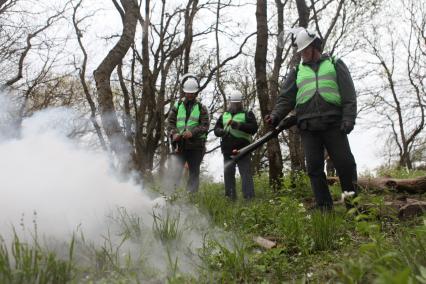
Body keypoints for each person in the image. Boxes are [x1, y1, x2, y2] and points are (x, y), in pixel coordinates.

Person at [265, 28, 358, 210]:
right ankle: (324, 208)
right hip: (308, 126)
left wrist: (349, 118)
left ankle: (353, 206)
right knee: (314, 169)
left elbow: (349, 94)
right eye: (300, 52)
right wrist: (276, 115)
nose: (303, 55)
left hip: (333, 124)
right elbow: (286, 98)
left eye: (305, 51)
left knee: (345, 164)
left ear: (315, 47)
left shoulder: (335, 63)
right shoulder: (296, 71)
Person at [167, 73, 209, 193]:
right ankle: (171, 197)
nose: (189, 95)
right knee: (176, 173)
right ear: (184, 92)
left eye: (192, 93)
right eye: (187, 92)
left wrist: (192, 133)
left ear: (196, 93)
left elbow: (205, 126)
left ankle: (191, 198)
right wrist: (174, 133)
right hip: (180, 145)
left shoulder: (201, 108)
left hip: (195, 146)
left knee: (194, 173)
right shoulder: (177, 106)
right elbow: (170, 122)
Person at [214, 93, 258, 200]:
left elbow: (254, 128)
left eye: (237, 103)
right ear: (230, 102)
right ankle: (230, 198)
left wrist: (239, 125)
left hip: (243, 150)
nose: (234, 105)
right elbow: (216, 128)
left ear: (241, 102)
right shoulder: (224, 115)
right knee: (228, 175)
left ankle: (249, 198)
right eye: (233, 103)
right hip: (227, 150)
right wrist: (220, 131)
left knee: (246, 174)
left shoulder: (247, 114)